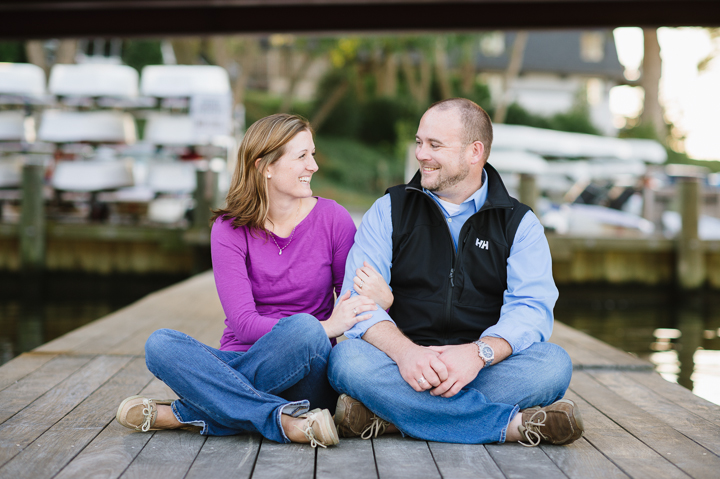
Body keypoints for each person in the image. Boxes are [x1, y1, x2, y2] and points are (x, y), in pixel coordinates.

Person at [115, 113, 390, 448]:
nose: (314, 166)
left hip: (309, 367)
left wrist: (328, 327)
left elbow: (352, 303)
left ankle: (190, 412)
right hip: (241, 356)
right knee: (160, 345)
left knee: (302, 330)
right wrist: (327, 326)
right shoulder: (229, 229)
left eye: (312, 154)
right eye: (302, 156)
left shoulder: (333, 219)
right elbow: (244, 324)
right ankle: (283, 421)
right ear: (265, 166)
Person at [328, 98, 584, 446]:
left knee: (553, 365)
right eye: (419, 142)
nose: (421, 154)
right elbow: (357, 303)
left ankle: (388, 418)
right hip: (401, 362)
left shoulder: (519, 224)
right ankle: (513, 426)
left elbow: (531, 309)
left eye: (435, 145)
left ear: (474, 152)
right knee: (347, 360)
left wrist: (478, 354)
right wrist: (407, 354)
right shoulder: (390, 209)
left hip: (482, 367)